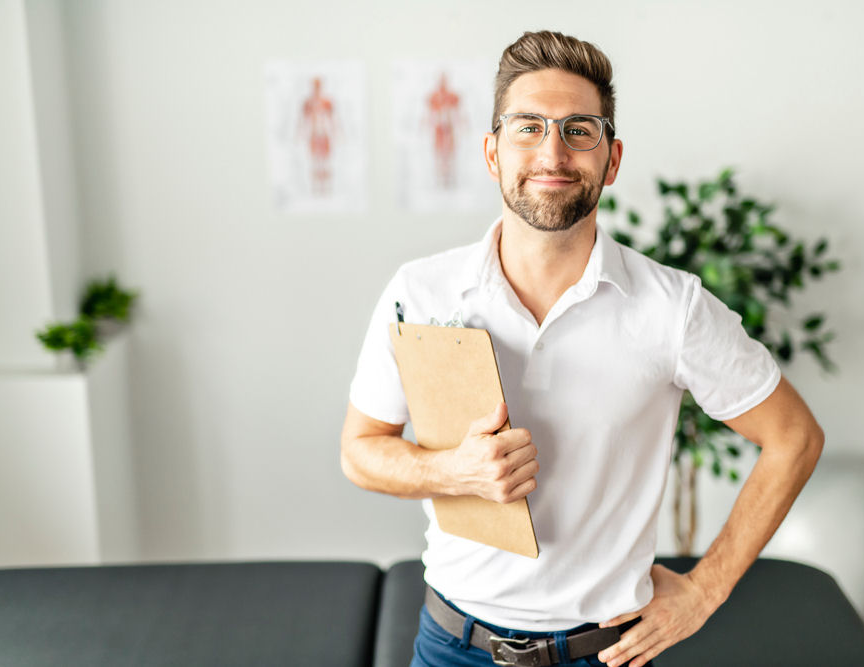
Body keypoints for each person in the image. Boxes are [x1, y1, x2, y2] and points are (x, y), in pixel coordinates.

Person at [341, 30, 824, 667]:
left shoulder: (672, 307)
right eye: (528, 127)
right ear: (491, 153)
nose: (552, 152)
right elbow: (361, 451)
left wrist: (705, 591)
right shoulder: (420, 291)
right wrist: (450, 471)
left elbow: (795, 436)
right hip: (451, 646)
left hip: (604, 652)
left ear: (612, 159)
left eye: (579, 130)